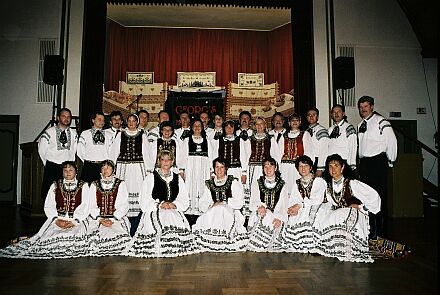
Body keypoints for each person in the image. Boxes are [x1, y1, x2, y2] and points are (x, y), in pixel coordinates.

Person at [0, 161, 89, 259]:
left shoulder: (83, 186)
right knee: (52, 238)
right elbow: (49, 205)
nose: (68, 173)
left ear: (76, 172)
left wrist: (74, 221)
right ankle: (28, 239)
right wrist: (56, 220)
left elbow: (85, 206)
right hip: (58, 219)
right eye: (65, 170)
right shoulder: (55, 185)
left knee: (73, 239)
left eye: (71, 170)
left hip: (76, 220)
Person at [128, 150, 196, 258]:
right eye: (162, 159)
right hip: (154, 210)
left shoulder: (177, 178)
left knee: (174, 221)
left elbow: (184, 199)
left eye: (168, 160)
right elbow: (144, 199)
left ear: (172, 161)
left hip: (173, 210)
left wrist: (174, 205)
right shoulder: (151, 177)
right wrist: (159, 205)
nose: (165, 162)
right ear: (159, 161)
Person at [315, 154, 381, 263]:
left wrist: (361, 207)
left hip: (354, 213)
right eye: (330, 166)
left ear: (343, 167)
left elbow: (374, 197)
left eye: (336, 166)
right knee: (326, 220)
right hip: (337, 214)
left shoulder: (352, 184)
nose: (333, 169)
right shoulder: (327, 186)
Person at [357, 95, 397, 240]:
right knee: (366, 197)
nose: (363, 109)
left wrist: (390, 160)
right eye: (361, 107)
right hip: (365, 164)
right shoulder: (360, 124)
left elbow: (391, 141)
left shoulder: (381, 121)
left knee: (379, 197)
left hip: (378, 162)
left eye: (366, 107)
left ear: (372, 107)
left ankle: (380, 232)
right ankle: (370, 229)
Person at [192, 158, 248, 252]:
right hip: (213, 212)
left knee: (222, 209)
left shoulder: (233, 181)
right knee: (215, 210)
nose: (219, 170)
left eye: (222, 167)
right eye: (217, 167)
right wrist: (213, 204)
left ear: (226, 169)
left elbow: (239, 202)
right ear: (214, 169)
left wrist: (225, 202)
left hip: (230, 211)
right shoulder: (210, 183)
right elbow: (202, 204)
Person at [109, 113, 148, 236]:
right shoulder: (120, 134)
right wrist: (112, 167)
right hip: (123, 167)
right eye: (129, 120)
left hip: (138, 167)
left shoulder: (142, 135)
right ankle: (123, 222)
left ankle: (137, 222)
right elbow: (114, 151)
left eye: (134, 121)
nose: (131, 123)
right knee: (123, 190)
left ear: (137, 123)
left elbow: (146, 153)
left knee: (138, 190)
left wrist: (149, 169)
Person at [280, 155, 326, 253]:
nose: (303, 169)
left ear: (310, 167)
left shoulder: (318, 181)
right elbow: (293, 199)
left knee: (306, 216)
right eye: (300, 166)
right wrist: (292, 208)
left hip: (317, 208)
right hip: (302, 207)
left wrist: (299, 205)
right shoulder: (297, 183)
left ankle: (310, 243)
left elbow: (317, 199)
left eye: (305, 166)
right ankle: (297, 243)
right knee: (293, 217)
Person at [87, 160, 131, 256]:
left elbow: (123, 205)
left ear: (113, 169)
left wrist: (112, 218)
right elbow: (91, 205)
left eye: (108, 167)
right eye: (103, 168)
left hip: (116, 219)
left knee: (116, 235)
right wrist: (101, 219)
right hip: (98, 219)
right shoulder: (94, 184)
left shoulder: (120, 184)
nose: (105, 170)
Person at [247, 157, 289, 252]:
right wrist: (260, 206)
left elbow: (284, 206)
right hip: (261, 214)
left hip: (276, 216)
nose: (268, 169)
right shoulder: (258, 183)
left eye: (271, 166)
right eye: (265, 167)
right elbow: (252, 203)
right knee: (265, 215)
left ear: (276, 168)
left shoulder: (282, 185)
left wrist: (279, 218)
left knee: (274, 221)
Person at [38, 107, 78, 199]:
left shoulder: (74, 133)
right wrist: (48, 163)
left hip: (66, 168)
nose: (66, 119)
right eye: (64, 116)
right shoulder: (49, 132)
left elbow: (74, 150)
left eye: (68, 117)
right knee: (49, 193)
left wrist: (71, 164)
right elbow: (41, 150)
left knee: (65, 192)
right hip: (52, 166)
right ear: (58, 118)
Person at [244, 117, 278, 217]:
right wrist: (245, 172)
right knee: (253, 189)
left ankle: (266, 211)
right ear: (254, 126)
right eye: (257, 124)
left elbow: (275, 156)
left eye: (261, 124)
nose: (259, 126)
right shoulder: (250, 139)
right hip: (252, 169)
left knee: (264, 189)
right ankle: (251, 215)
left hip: (265, 169)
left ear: (265, 125)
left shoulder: (270, 138)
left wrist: (274, 170)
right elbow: (246, 156)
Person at [180, 119, 213, 218]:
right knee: (189, 188)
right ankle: (190, 214)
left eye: (199, 126)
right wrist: (181, 171)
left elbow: (211, 157)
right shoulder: (187, 140)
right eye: (195, 125)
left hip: (204, 169)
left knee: (203, 187)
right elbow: (182, 157)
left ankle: (202, 213)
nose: (197, 128)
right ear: (192, 127)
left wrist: (212, 171)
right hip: (191, 169)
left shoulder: (207, 141)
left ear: (202, 128)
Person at [276, 113, 306, 192]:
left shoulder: (305, 134)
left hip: (298, 168)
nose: (295, 122)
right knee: (284, 189)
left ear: (300, 122)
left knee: (297, 189)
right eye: (293, 120)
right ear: (289, 123)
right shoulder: (284, 136)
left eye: (297, 120)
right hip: (285, 168)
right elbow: (278, 153)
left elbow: (309, 153)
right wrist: (278, 168)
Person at [214, 120, 250, 185]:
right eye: (227, 127)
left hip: (236, 170)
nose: (229, 129)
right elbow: (215, 155)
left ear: (234, 128)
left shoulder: (239, 140)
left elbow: (243, 156)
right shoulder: (219, 140)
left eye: (231, 127)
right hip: (222, 171)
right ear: (224, 128)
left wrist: (244, 172)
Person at [77, 111, 108, 184]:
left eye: (103, 120)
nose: (102, 122)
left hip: (103, 166)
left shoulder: (109, 134)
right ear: (93, 120)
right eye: (99, 119)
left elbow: (111, 151)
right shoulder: (85, 133)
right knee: (87, 189)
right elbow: (80, 150)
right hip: (89, 166)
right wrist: (88, 160)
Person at [328, 104, 357, 171]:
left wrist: (351, 165)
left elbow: (353, 147)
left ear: (343, 114)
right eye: (334, 112)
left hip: (344, 162)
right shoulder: (329, 130)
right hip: (331, 163)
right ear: (332, 115)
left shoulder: (349, 128)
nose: (336, 114)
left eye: (339, 112)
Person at [303, 107, 329, 177]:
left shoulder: (322, 130)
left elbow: (324, 150)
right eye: (309, 115)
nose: (311, 117)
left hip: (318, 161)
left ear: (317, 117)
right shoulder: (305, 132)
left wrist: (320, 168)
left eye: (313, 115)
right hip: (308, 162)